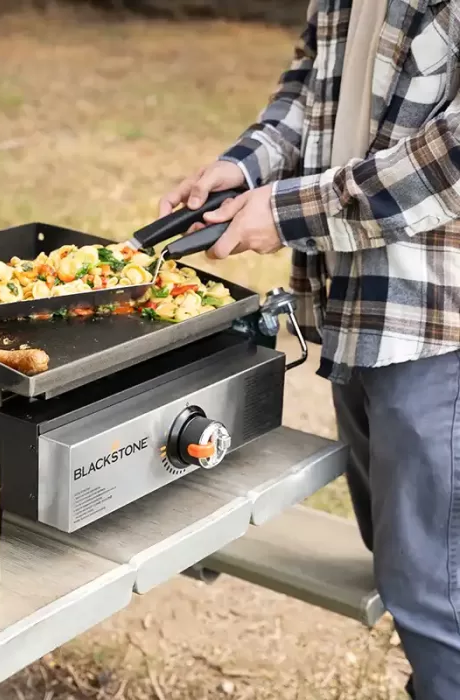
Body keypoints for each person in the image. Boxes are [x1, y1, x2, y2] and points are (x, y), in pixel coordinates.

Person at [159, 1, 460, 698]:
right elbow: (312, 80)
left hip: (439, 329)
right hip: (357, 309)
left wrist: (291, 211)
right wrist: (247, 166)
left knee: (436, 593)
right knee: (400, 561)